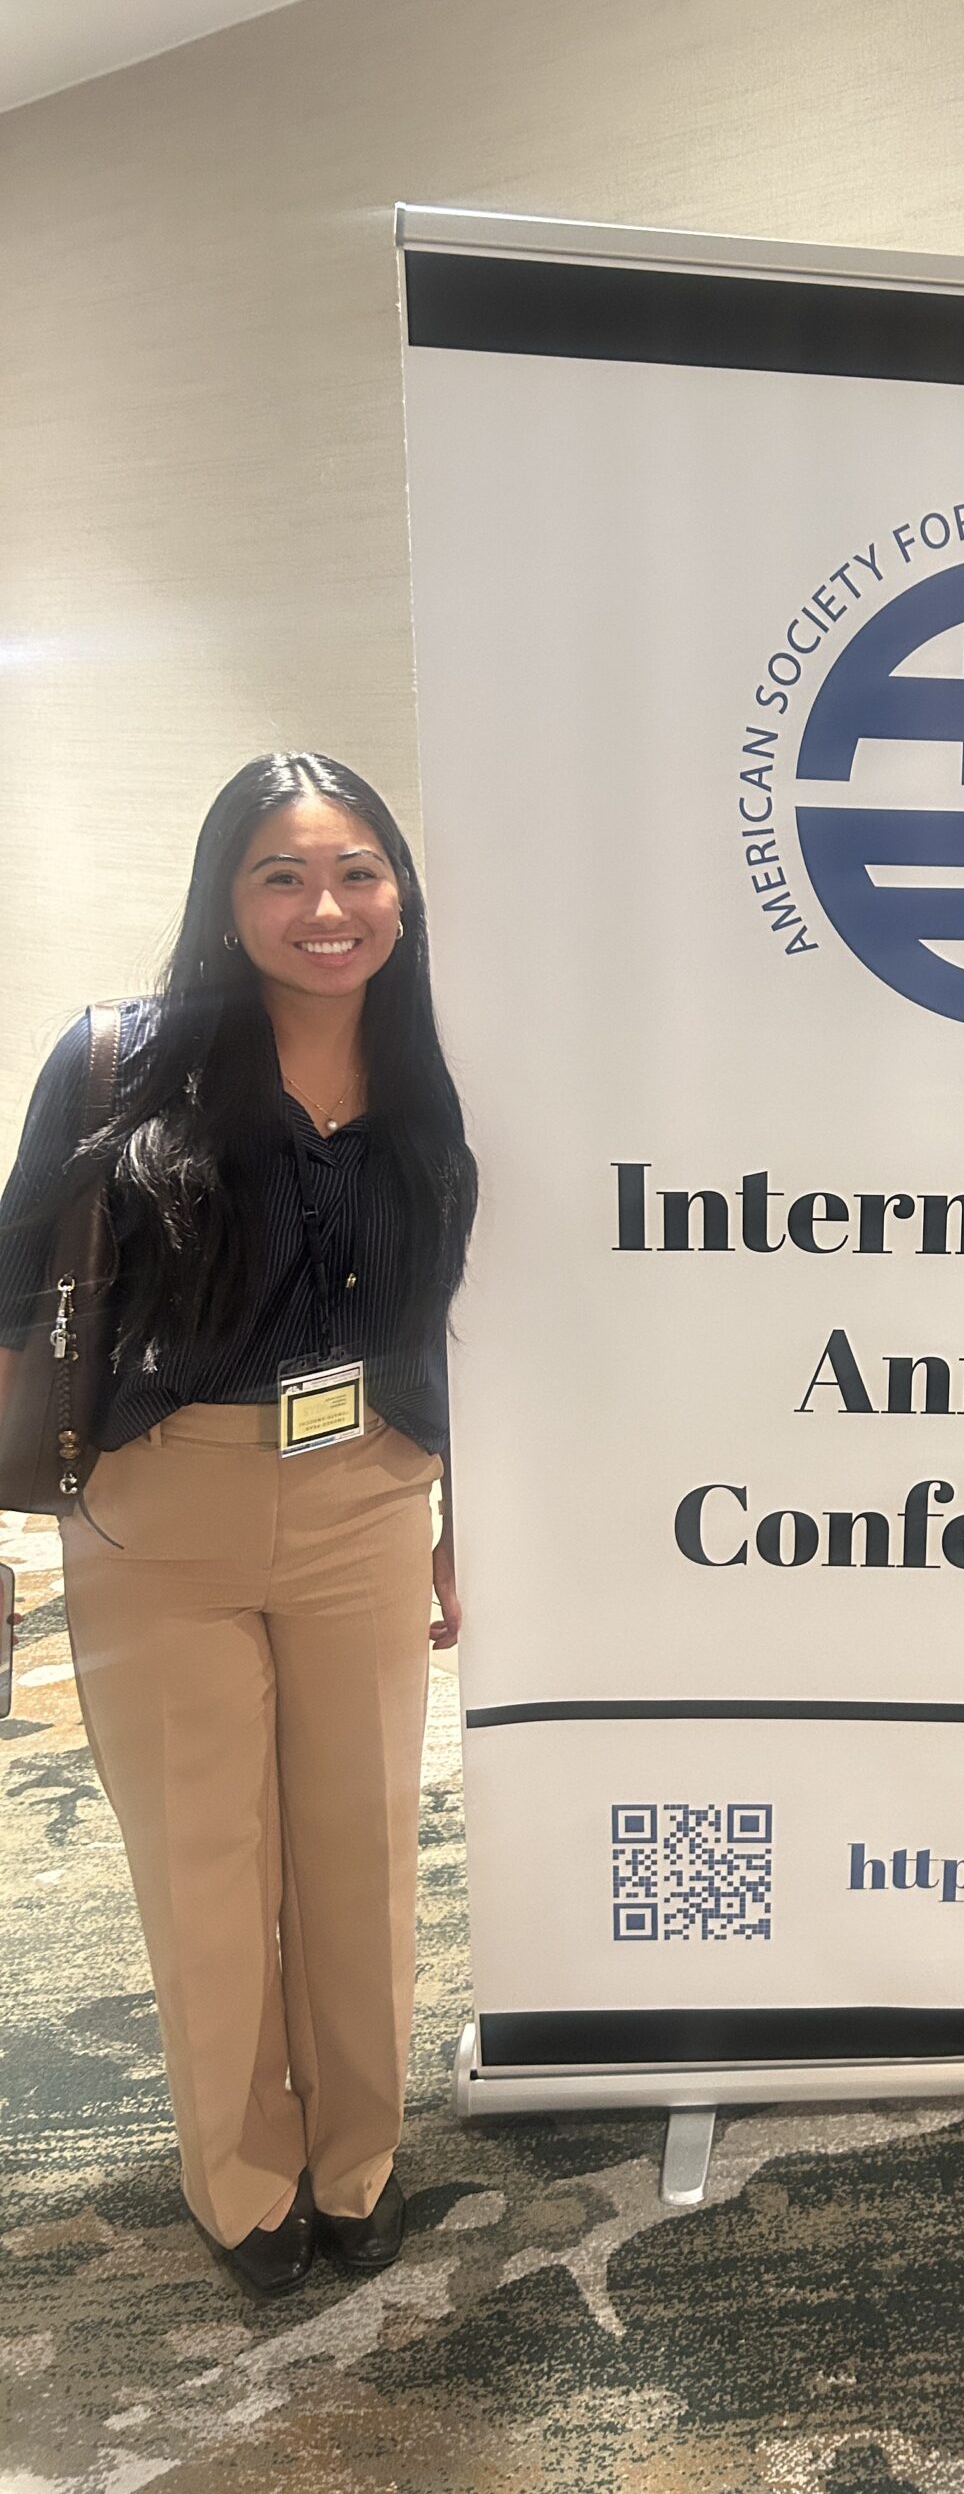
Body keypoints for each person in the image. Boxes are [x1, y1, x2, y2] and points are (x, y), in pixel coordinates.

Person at [0, 753, 477, 2298]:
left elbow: (478, 1312)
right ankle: (246, 2184)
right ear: (226, 899)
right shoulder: (116, 1060)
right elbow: (15, 1294)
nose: (324, 908)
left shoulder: (443, 1066)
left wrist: (468, 1511)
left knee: (363, 1850)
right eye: (282, 875)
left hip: (369, 1495)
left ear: (397, 890)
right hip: (161, 1512)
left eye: (355, 872)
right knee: (204, 1864)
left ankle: (357, 2161)